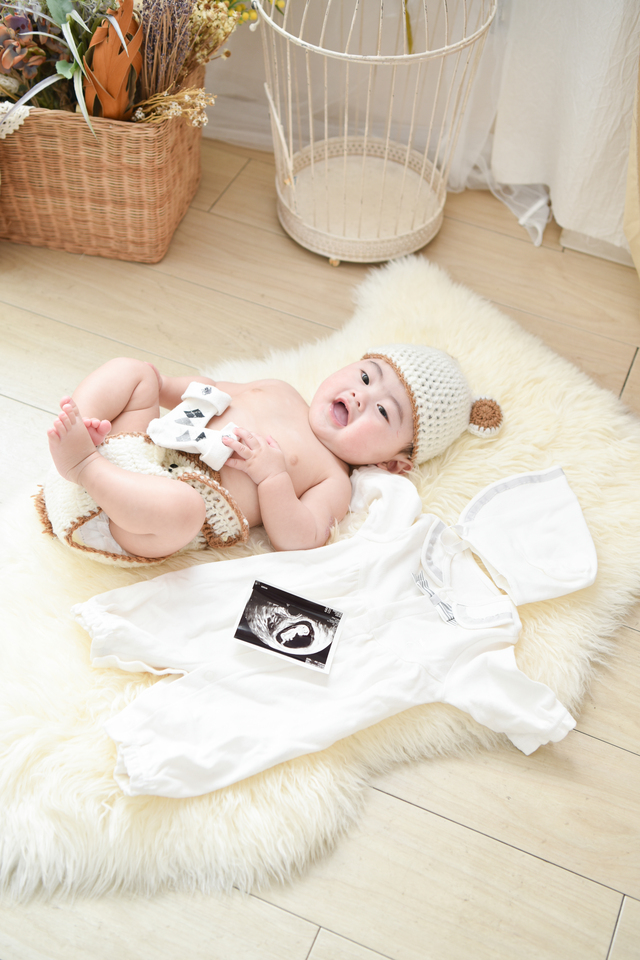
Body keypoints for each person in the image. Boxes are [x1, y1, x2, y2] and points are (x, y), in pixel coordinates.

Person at [45, 345, 502, 560]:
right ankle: (80, 427)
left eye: (383, 411)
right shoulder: (281, 389)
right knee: (133, 371)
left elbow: (299, 538)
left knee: (183, 509)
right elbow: (210, 389)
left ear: (391, 463)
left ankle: (82, 465)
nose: (361, 396)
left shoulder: (333, 479)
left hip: (147, 516)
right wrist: (161, 385)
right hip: (139, 452)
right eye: (365, 377)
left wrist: (272, 477)